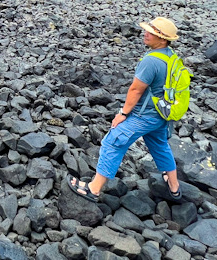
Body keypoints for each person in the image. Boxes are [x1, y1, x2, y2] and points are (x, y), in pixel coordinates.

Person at [68, 16, 182, 202]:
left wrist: (123, 114)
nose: (145, 34)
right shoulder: (170, 56)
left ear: (162, 39)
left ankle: (93, 189)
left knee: (113, 142)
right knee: (160, 146)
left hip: (144, 115)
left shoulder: (151, 61)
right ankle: (174, 187)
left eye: (151, 33)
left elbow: (136, 89)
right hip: (162, 114)